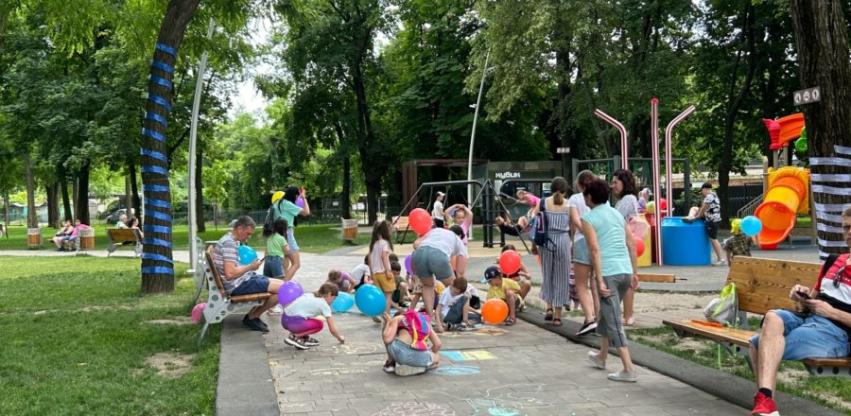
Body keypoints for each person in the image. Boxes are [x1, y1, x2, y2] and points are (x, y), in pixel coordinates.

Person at [748, 207, 851, 416]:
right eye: (846, 227)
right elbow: (812, 300)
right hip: (809, 318)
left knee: (758, 344)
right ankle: (766, 402)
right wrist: (802, 296)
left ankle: (766, 404)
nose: (849, 233)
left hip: (837, 333)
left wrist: (832, 313)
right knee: (772, 317)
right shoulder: (833, 260)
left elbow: (829, 311)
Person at [582, 178, 640, 382]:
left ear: (589, 197)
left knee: (613, 319)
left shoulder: (588, 218)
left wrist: (599, 279)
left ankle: (629, 368)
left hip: (608, 272)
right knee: (607, 315)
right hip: (624, 270)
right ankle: (602, 356)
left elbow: (595, 250)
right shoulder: (616, 214)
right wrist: (634, 272)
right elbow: (631, 243)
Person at [211, 216, 284, 333]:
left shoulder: (229, 239)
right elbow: (229, 274)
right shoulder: (229, 243)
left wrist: (249, 267)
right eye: (248, 234)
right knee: (283, 289)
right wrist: (250, 266)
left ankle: (253, 316)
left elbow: (232, 268)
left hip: (241, 280)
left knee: (282, 285)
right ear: (240, 228)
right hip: (236, 285)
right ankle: (252, 317)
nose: (248, 237)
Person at [412, 225, 468, 332]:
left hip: (419, 254)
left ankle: (430, 317)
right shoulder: (459, 242)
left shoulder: (436, 230)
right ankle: (451, 315)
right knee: (454, 287)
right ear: (460, 236)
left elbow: (416, 244)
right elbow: (460, 273)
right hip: (438, 256)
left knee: (428, 285)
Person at [534, 176, 572, 327]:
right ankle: (558, 315)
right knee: (561, 278)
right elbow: (573, 226)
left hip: (546, 242)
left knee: (547, 274)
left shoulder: (542, 203)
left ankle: (548, 307)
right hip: (563, 241)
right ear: (565, 190)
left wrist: (533, 243)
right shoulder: (569, 205)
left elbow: (535, 223)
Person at [570, 170, 600, 335]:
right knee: (596, 282)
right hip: (598, 241)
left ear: (579, 184)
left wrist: (584, 231)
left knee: (581, 284)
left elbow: (575, 220)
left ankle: (589, 318)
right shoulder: (600, 198)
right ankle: (600, 318)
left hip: (582, 241)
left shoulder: (575, 198)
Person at [611, 169, 639, 326]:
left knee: (627, 280)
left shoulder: (627, 199)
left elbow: (615, 219)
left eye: (616, 182)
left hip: (625, 242)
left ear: (625, 183)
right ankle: (627, 314)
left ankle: (628, 315)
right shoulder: (625, 200)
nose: (613, 185)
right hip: (624, 242)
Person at [282, 283, 346, 350]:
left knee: (308, 317)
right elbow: (332, 329)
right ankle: (294, 337)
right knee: (319, 324)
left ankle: (303, 337)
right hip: (292, 323)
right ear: (329, 294)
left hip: (284, 319)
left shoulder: (310, 294)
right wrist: (340, 338)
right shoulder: (324, 305)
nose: (333, 301)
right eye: (334, 298)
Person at [382, 309, 442, 376]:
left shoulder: (397, 318)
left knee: (387, 332)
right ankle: (421, 366)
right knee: (436, 357)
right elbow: (438, 344)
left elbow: (387, 339)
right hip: (411, 354)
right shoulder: (423, 321)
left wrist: (388, 322)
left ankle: (390, 364)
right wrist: (431, 353)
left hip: (395, 350)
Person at [271, 186, 311, 280]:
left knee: (285, 262)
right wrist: (304, 198)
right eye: (298, 196)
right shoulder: (288, 204)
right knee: (296, 264)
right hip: (286, 234)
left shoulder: (277, 203)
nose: (298, 199)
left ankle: (281, 282)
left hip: (276, 234)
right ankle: (283, 285)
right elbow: (306, 212)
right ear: (295, 195)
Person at [690, 182, 725, 266]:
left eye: (702, 190)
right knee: (694, 208)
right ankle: (690, 217)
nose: (702, 193)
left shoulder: (709, 197)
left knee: (714, 239)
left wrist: (697, 216)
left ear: (705, 189)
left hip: (711, 220)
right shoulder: (714, 195)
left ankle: (721, 259)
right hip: (714, 219)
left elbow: (703, 208)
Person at [368, 220, 396, 322]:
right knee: (388, 296)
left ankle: (374, 314)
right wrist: (388, 270)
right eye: (390, 229)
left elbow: (370, 259)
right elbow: (384, 256)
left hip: (375, 274)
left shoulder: (374, 244)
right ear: (386, 231)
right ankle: (387, 317)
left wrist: (371, 273)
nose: (392, 231)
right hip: (384, 273)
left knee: (378, 296)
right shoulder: (385, 243)